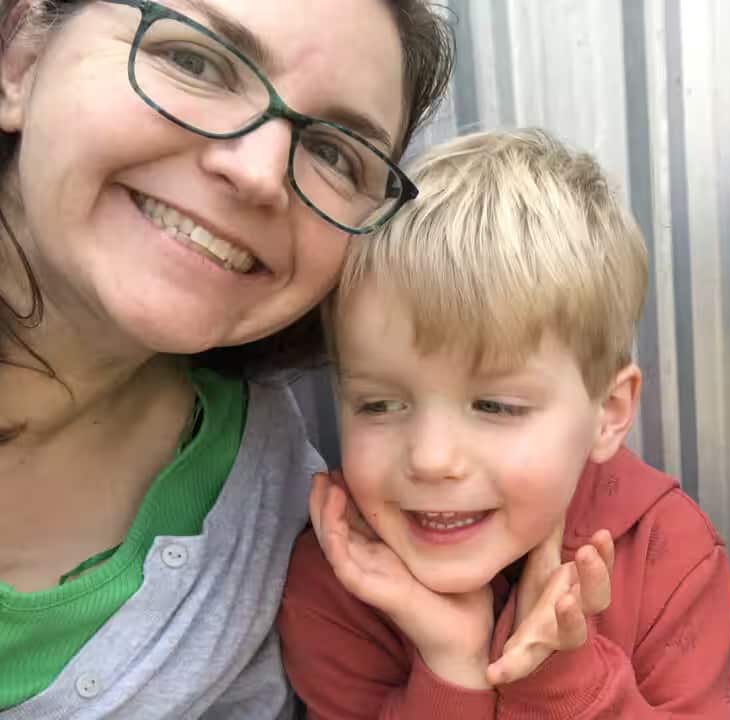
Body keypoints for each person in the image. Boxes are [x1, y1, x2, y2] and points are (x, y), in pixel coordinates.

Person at [0, 0, 452, 716]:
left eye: (334, 152)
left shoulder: (272, 497)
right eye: (196, 61)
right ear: (21, 58)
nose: (261, 172)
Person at [277, 129, 730, 719]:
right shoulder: (335, 583)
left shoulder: (667, 552)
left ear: (609, 414)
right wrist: (451, 666)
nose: (431, 459)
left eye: (495, 406)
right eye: (380, 405)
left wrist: (564, 678)